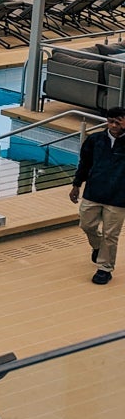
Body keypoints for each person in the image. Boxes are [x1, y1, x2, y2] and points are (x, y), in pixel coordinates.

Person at [70, 106, 125, 285]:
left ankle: (104, 268)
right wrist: (76, 185)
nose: (113, 125)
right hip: (93, 192)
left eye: (118, 122)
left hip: (119, 197)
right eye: (110, 121)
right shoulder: (95, 140)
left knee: (111, 235)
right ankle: (97, 246)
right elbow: (84, 163)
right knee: (86, 224)